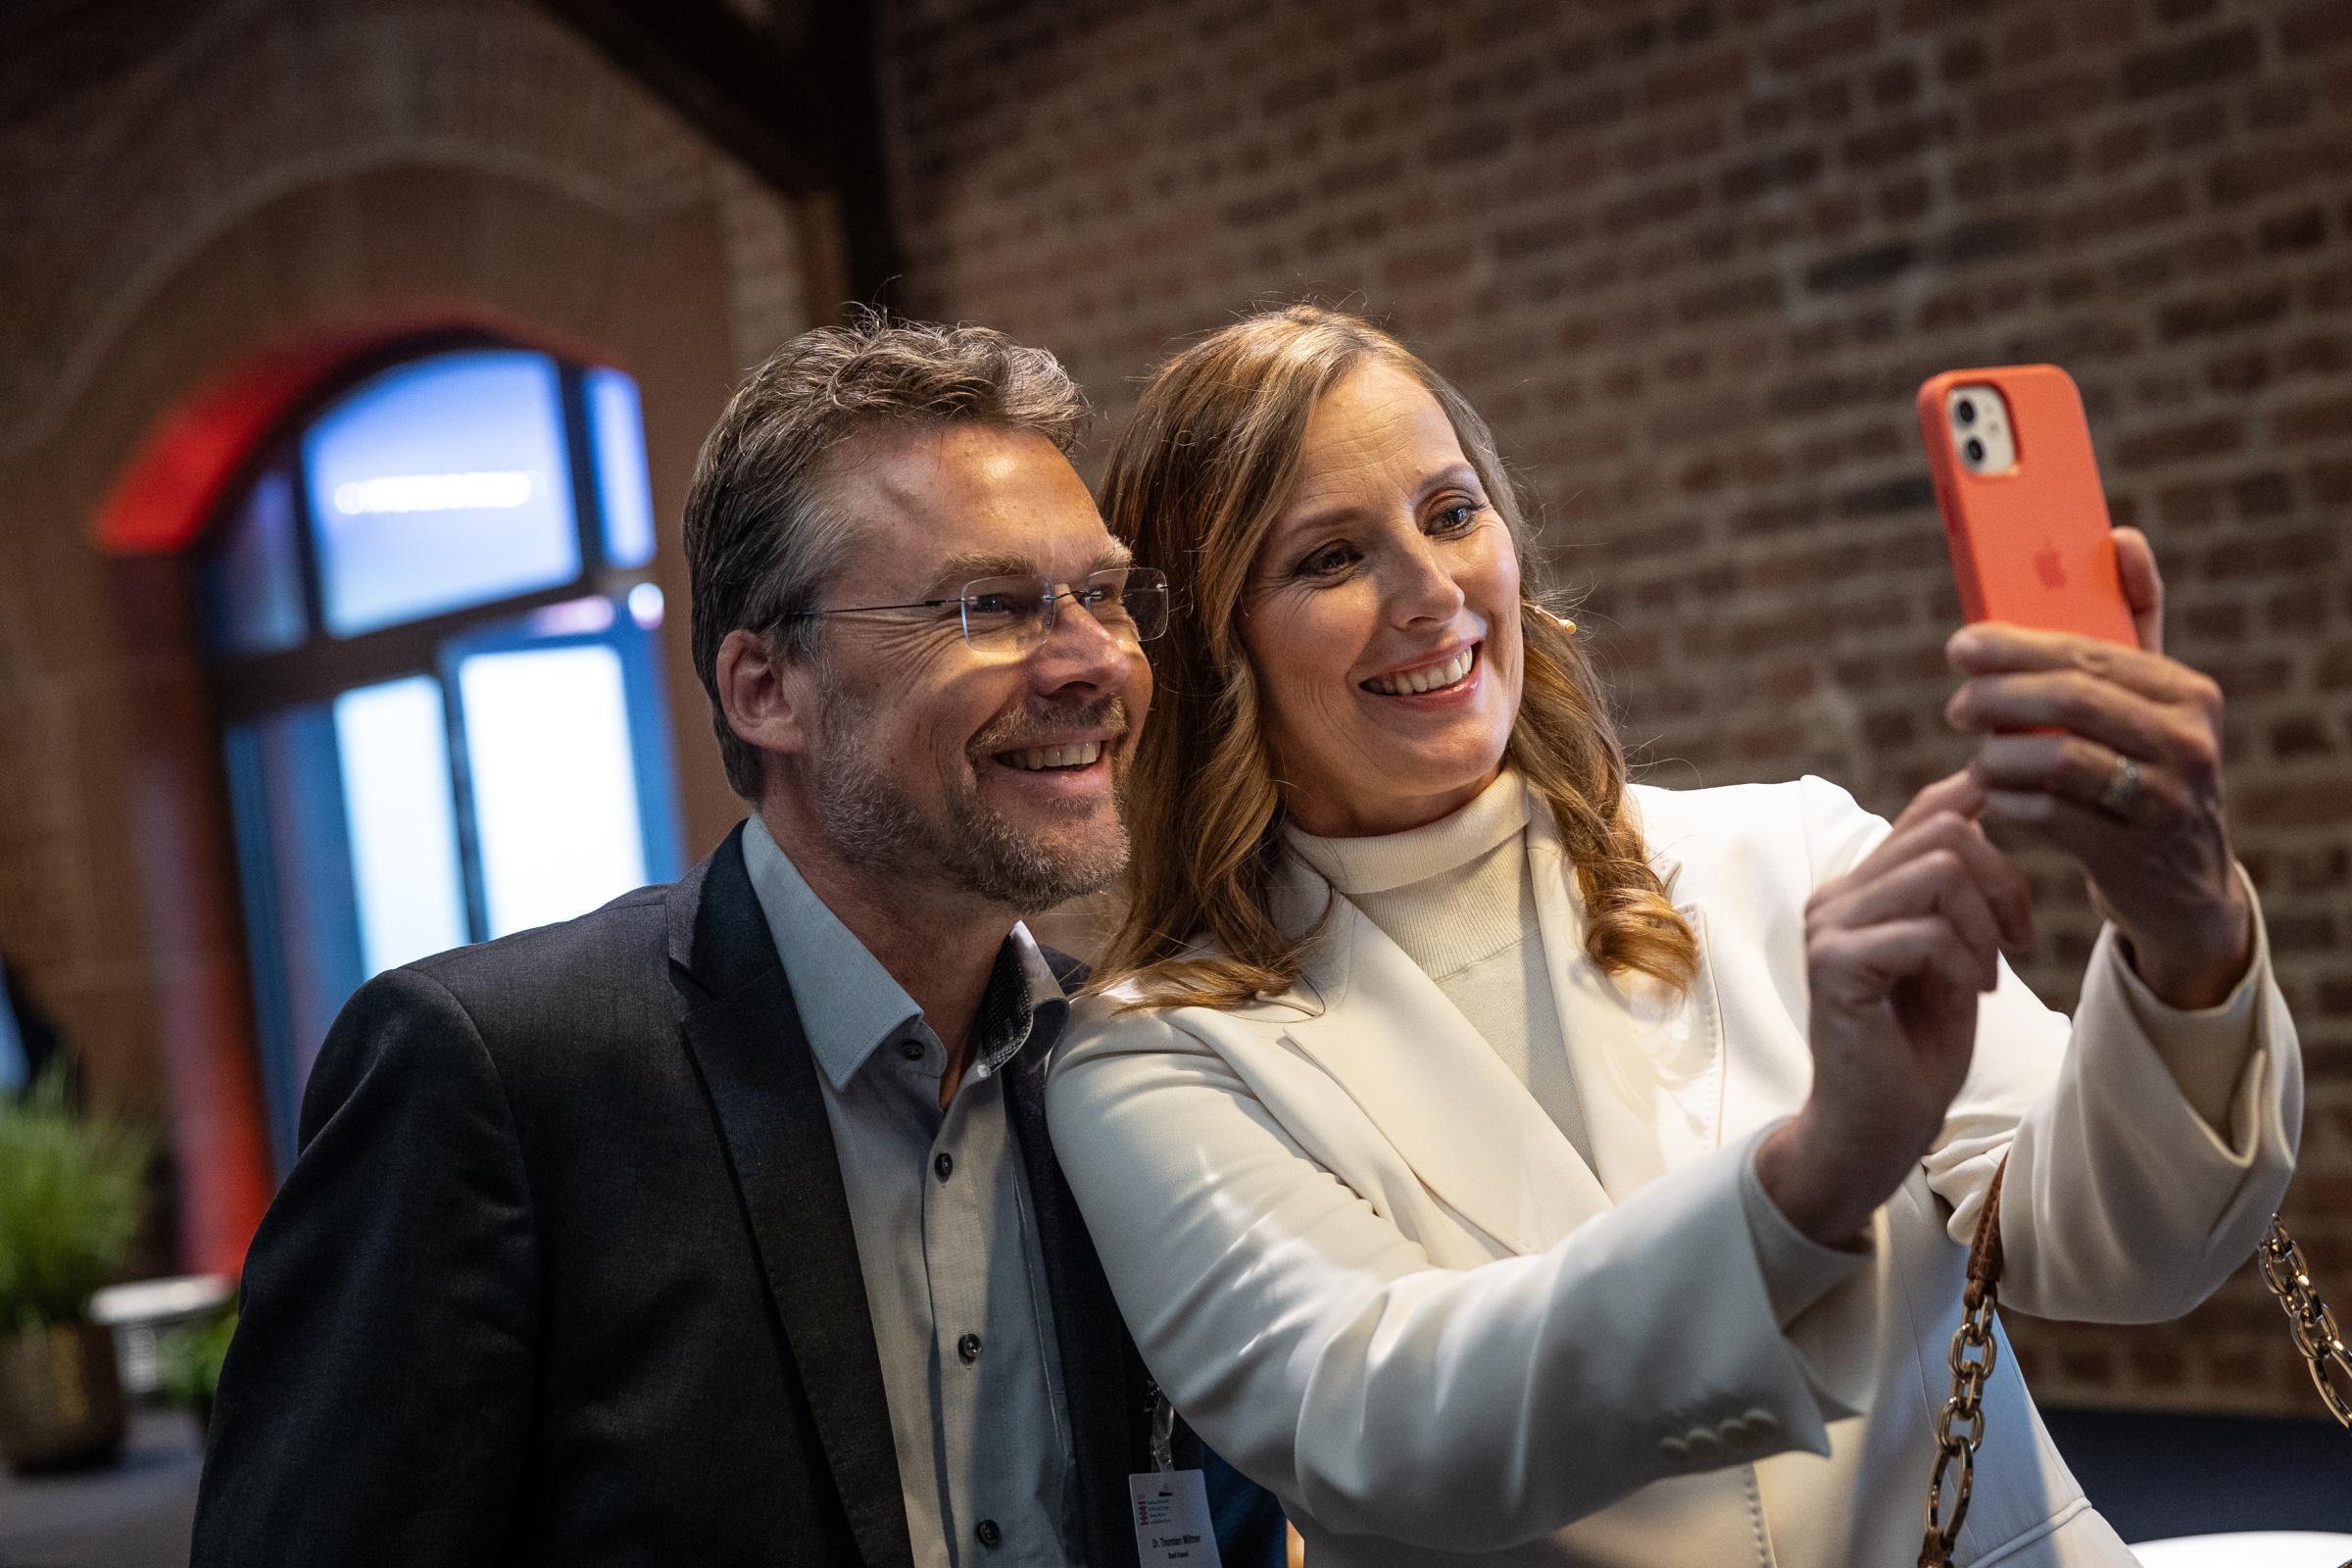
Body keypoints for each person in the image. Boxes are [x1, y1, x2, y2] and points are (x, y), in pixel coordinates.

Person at [1046, 306, 2300, 1567]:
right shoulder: (1153, 1056)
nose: (1433, 593)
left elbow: (2135, 1253)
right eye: (1330, 558)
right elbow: (1383, 1424)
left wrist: (2185, 937)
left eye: (1452, 513)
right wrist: (1815, 1175)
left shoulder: (1792, 855)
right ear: (1209, 643)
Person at [193, 318, 1283, 1568]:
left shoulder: (1128, 1063)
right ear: (765, 687)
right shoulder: (497, 1079)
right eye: (990, 606)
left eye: (1102, 595)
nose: (1095, 661)